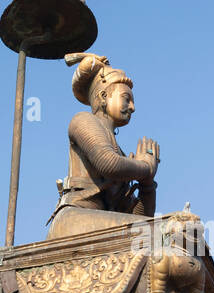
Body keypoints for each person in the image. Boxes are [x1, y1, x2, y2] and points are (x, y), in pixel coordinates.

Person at [47, 54, 160, 240]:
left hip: (103, 220)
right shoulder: (83, 121)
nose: (132, 107)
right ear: (104, 96)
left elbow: (140, 219)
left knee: (166, 232)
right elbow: (107, 164)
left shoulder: (122, 154)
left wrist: (147, 184)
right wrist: (145, 167)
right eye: (126, 99)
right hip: (76, 219)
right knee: (167, 233)